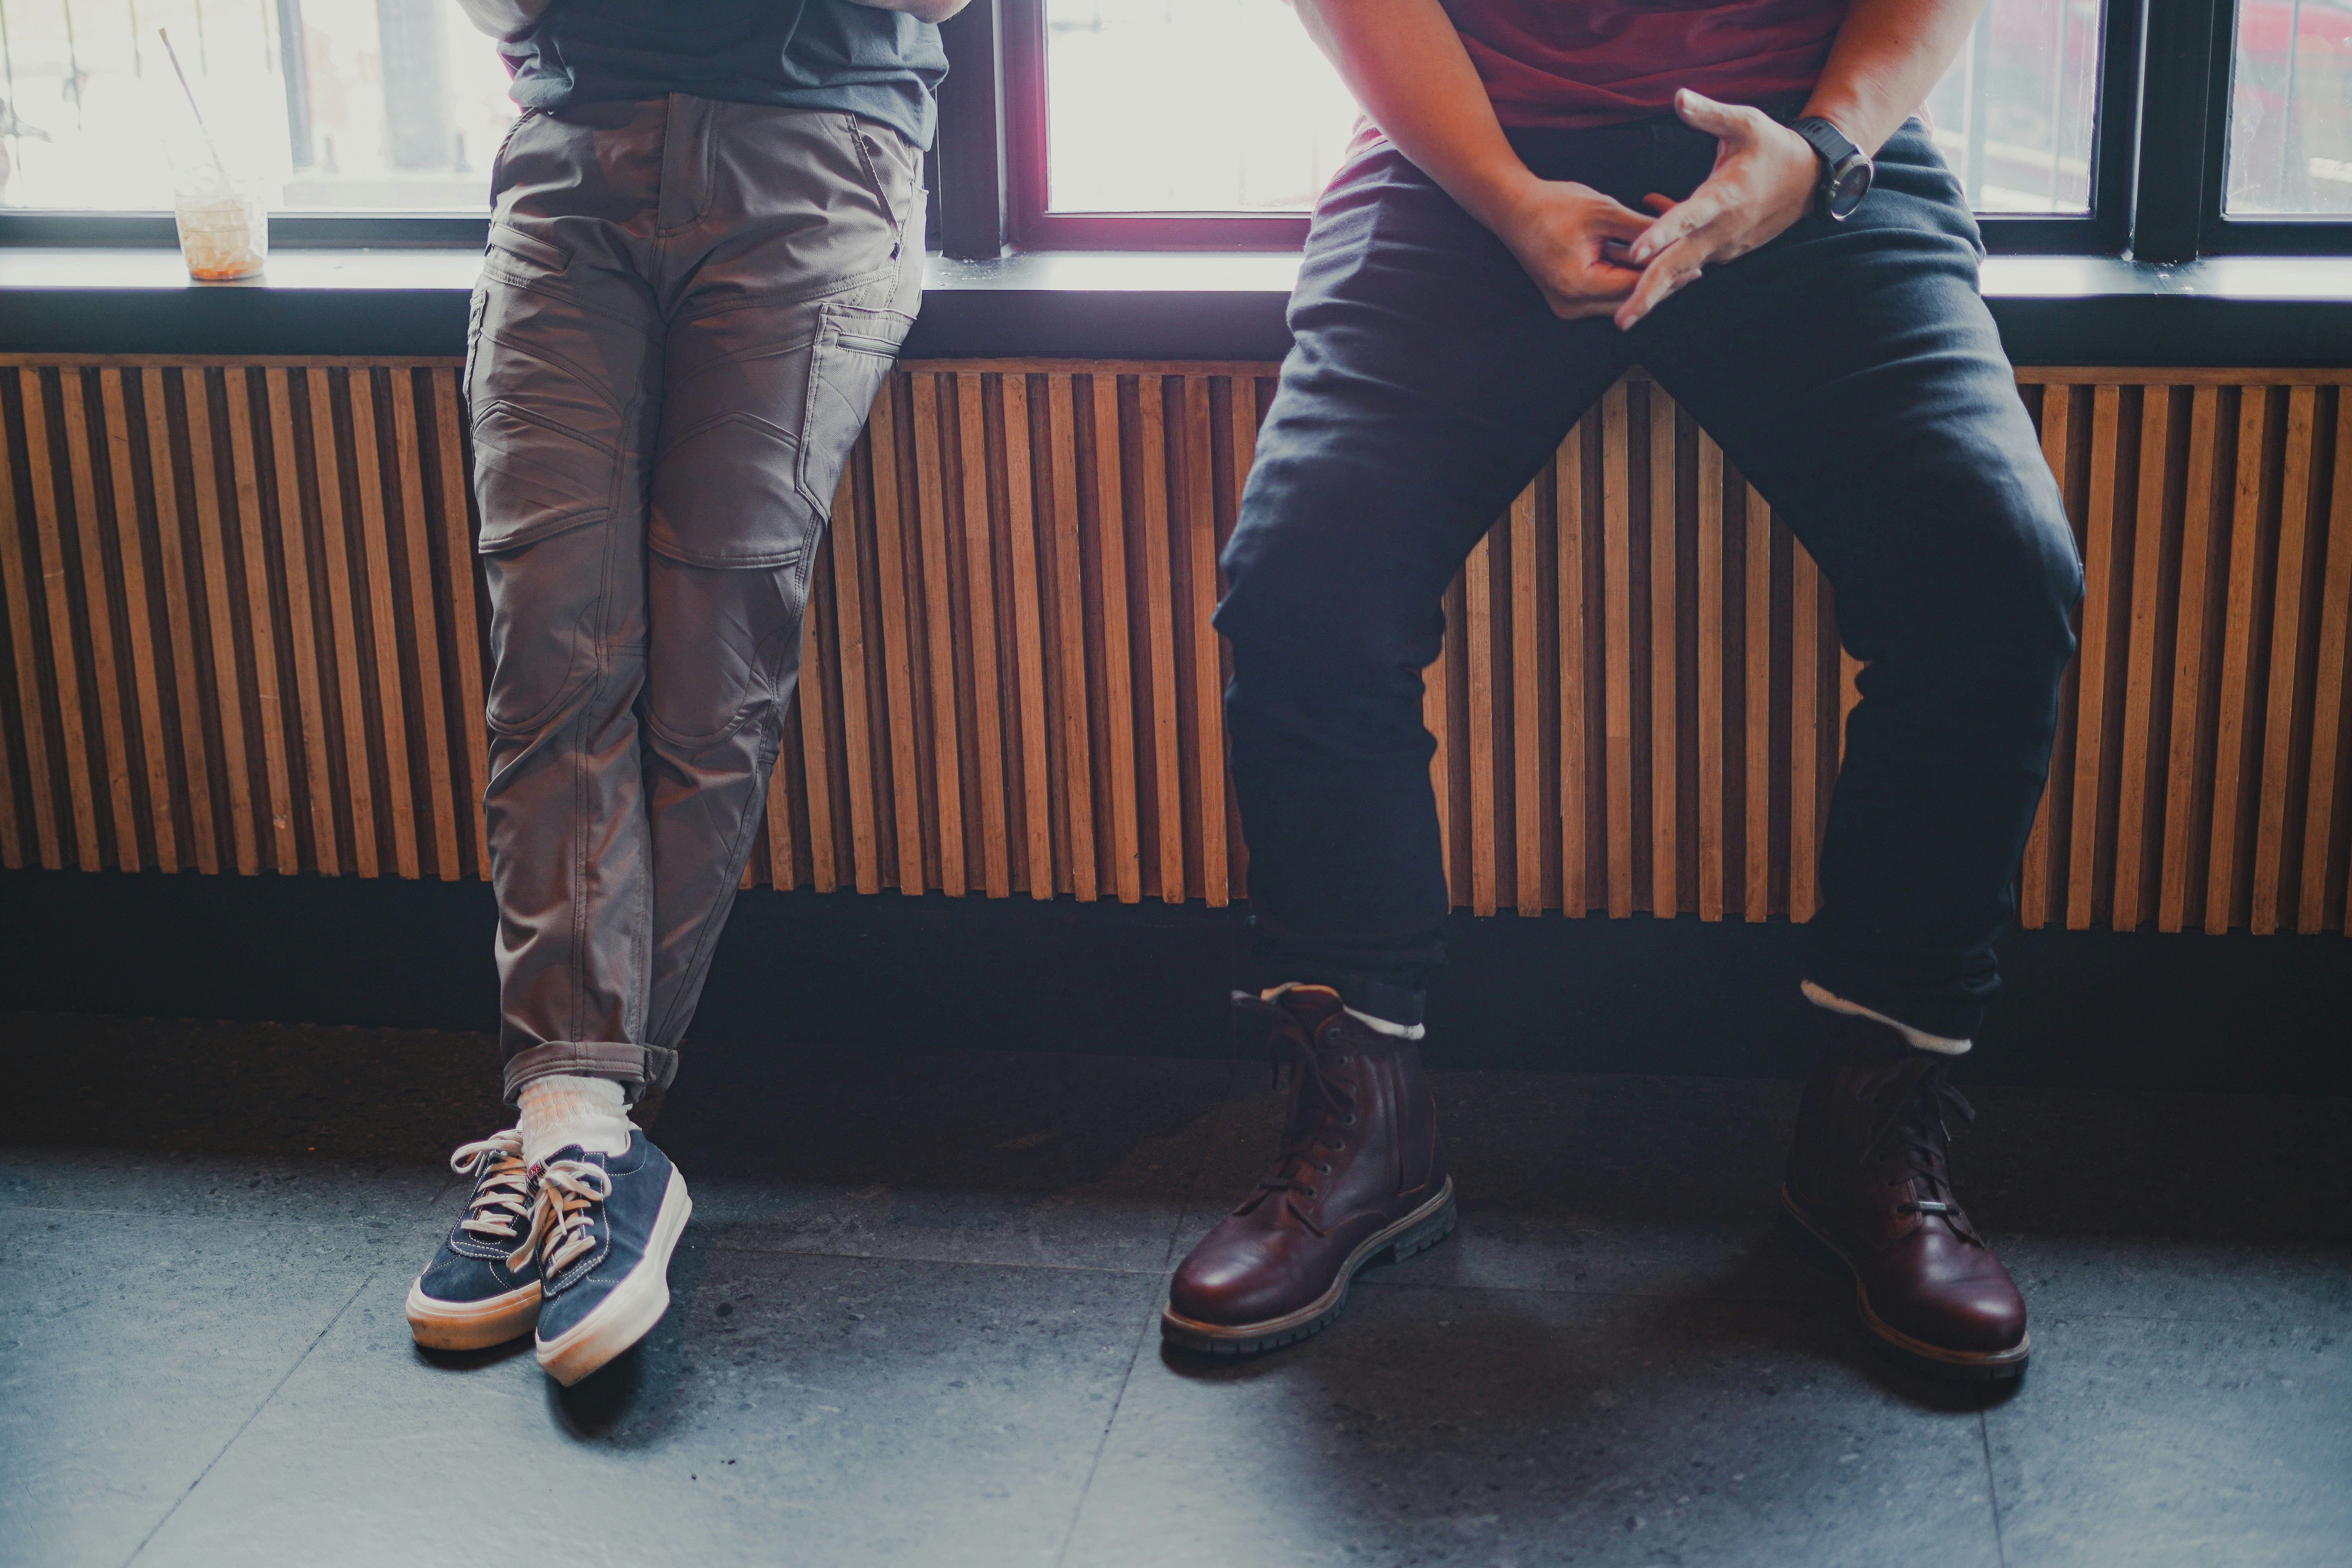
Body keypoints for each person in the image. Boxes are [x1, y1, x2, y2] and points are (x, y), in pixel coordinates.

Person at [1162, 0, 2077, 1381]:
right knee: (1304, 581)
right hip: (1468, 156)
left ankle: (1868, 1136)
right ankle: (1368, 1125)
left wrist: (1823, 149)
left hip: (1798, 149)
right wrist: (1505, 191)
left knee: (1998, 573)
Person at [403, 0, 964, 1385]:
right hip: (571, 163)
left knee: (717, 659)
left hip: (817, 160)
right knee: (555, 649)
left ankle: (579, 1124)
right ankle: (583, 1133)